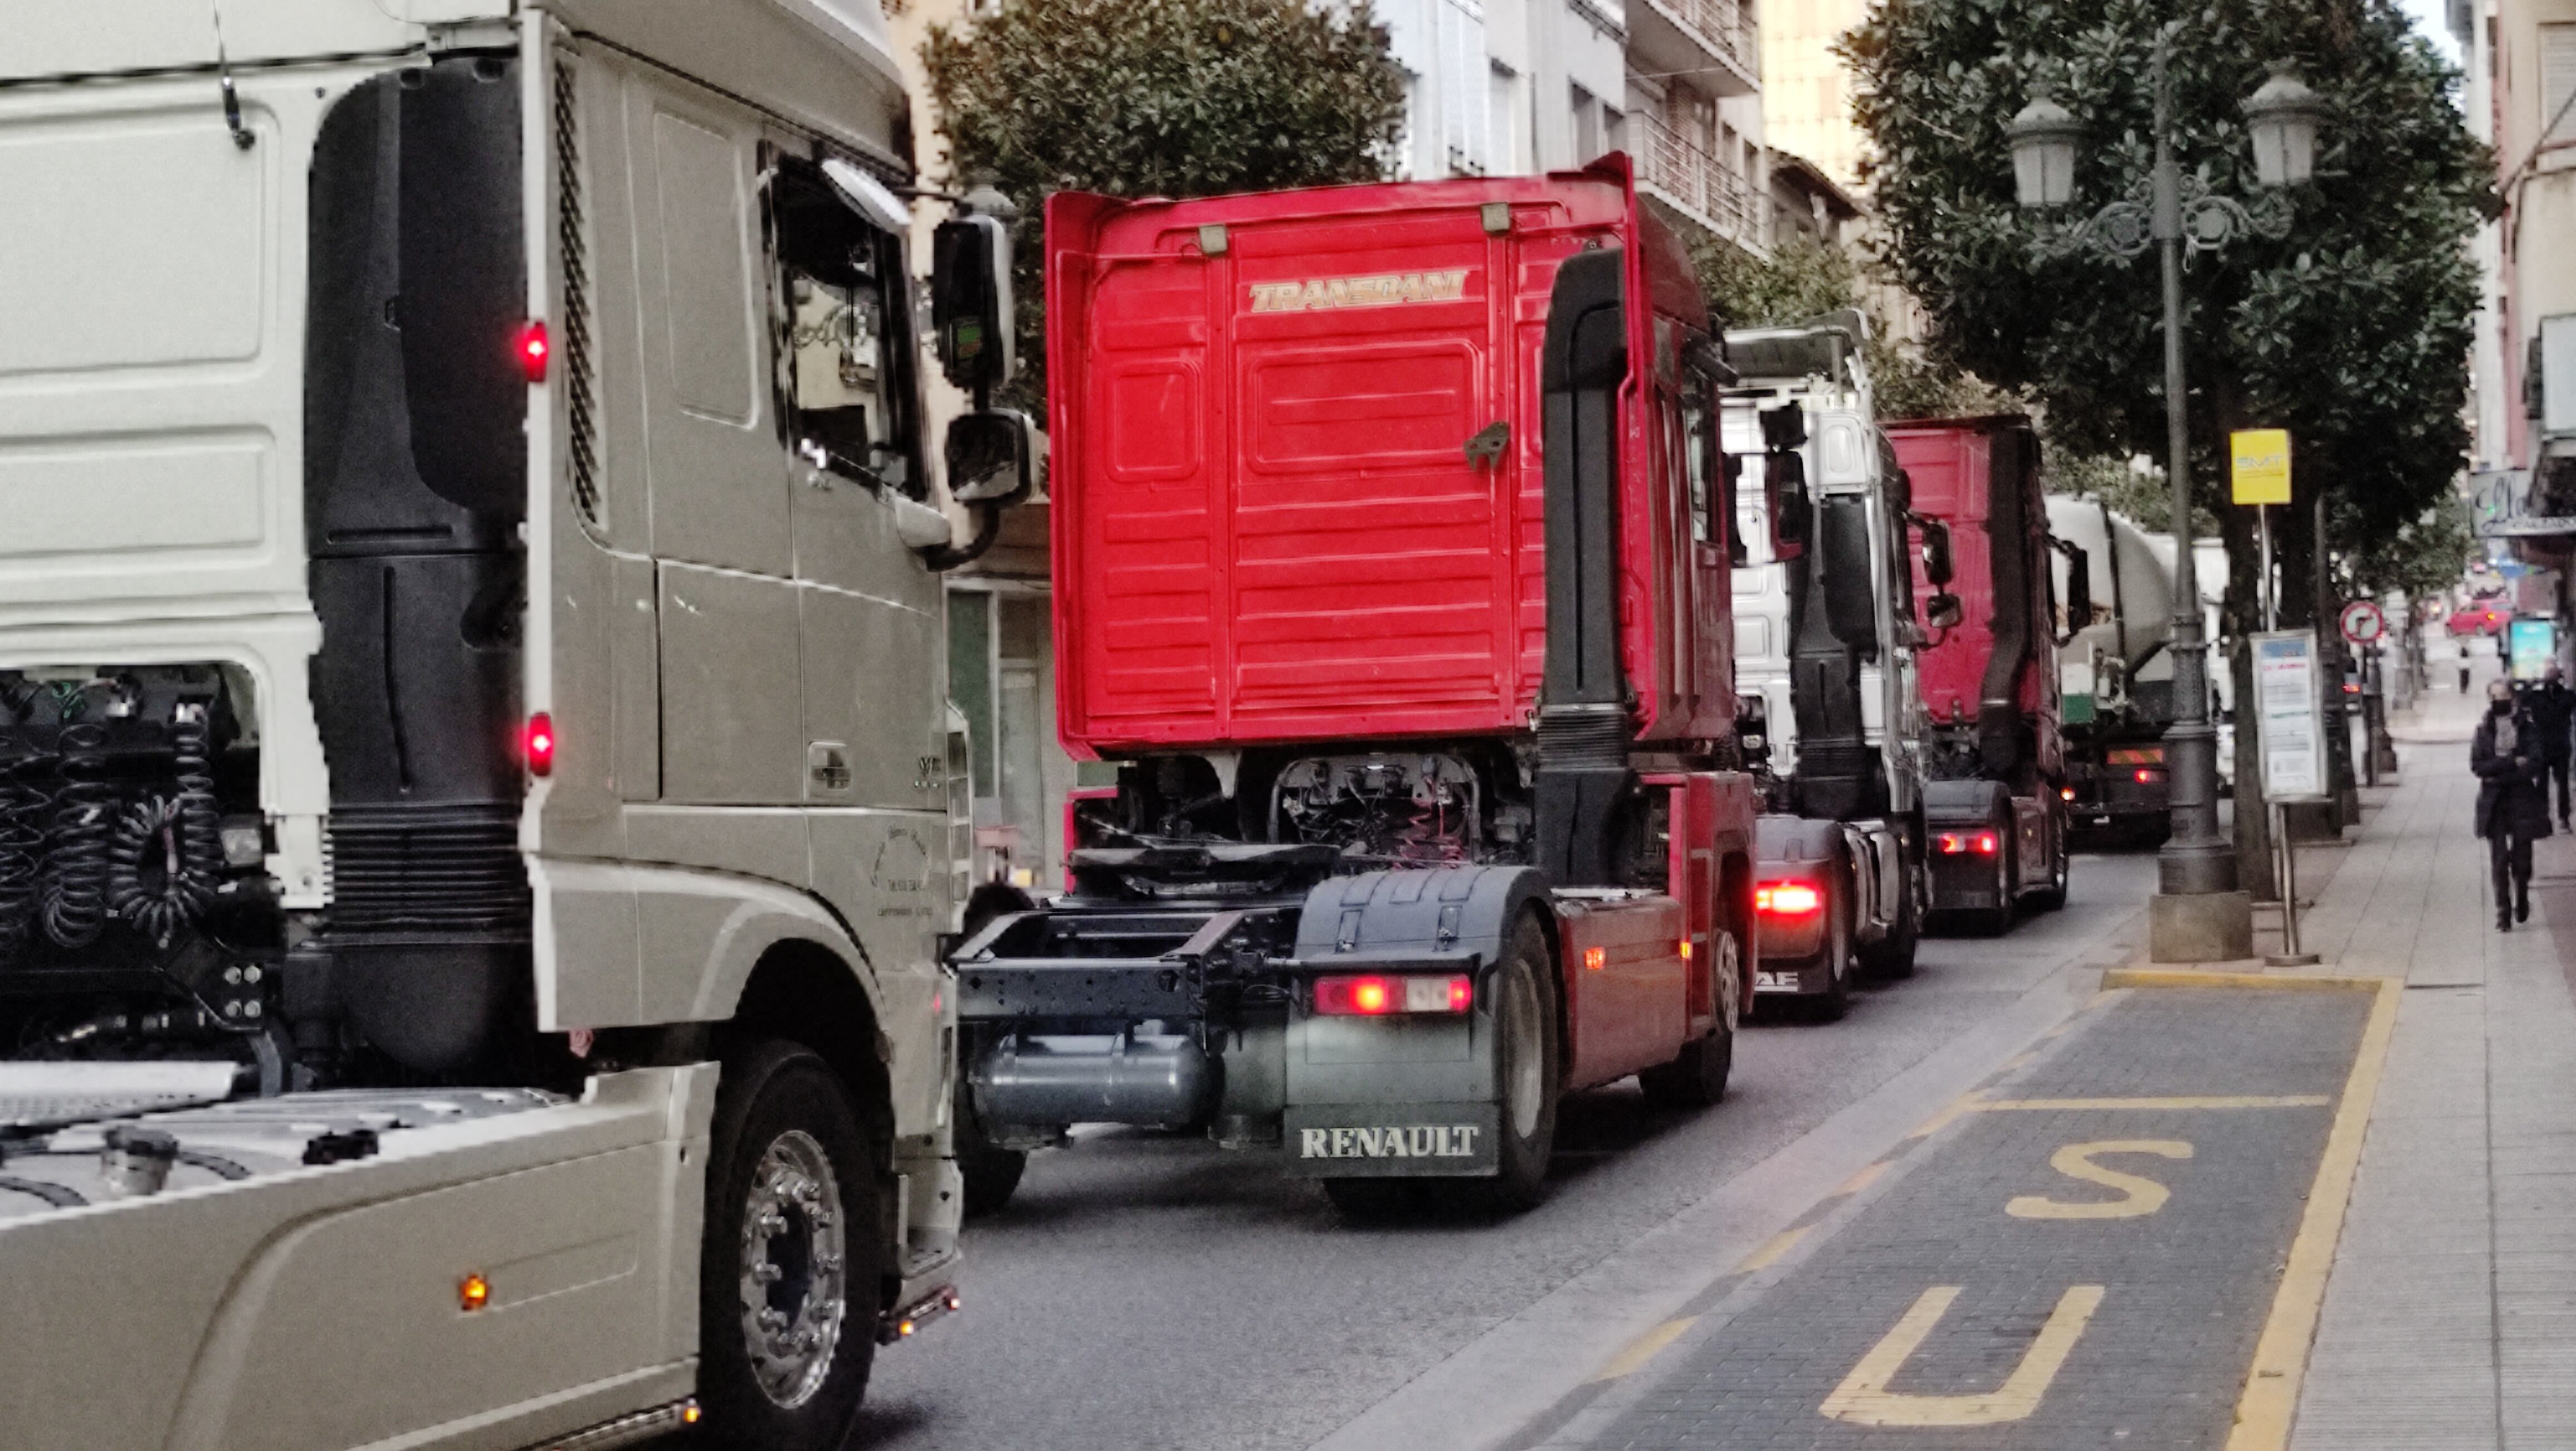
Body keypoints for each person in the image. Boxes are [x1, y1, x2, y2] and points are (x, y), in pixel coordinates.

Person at [2474, 678, 2554, 929]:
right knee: (2498, 860)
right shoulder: (2483, 730)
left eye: (2504, 695)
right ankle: (2502, 912)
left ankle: (2522, 894)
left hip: (2521, 799)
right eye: (2495, 696)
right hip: (2493, 802)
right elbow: (2478, 766)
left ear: (2513, 697)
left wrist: (2499, 770)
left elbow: (2534, 762)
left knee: (2522, 858)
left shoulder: (2527, 728)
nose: (2500, 700)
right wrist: (2510, 762)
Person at [2524, 662, 2576, 830]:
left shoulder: (2561, 695)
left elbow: (2523, 700)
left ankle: (2556, 817)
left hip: (2553, 745)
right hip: (2551, 745)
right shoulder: (2560, 695)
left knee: (2553, 783)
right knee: (2551, 783)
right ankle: (2553, 817)